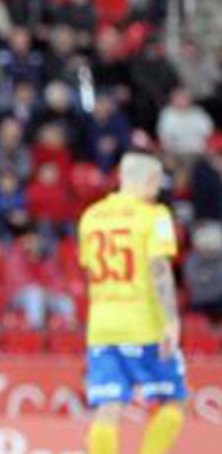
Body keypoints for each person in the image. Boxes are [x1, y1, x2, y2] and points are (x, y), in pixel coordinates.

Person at [78, 152, 186, 454]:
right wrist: (171, 321)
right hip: (143, 323)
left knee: (107, 408)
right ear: (150, 180)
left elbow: (89, 272)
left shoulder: (91, 217)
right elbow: (159, 269)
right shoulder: (154, 215)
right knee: (173, 401)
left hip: (101, 326)